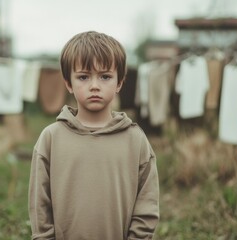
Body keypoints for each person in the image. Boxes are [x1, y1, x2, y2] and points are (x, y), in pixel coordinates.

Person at [28, 31, 160, 240]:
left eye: (105, 76)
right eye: (83, 76)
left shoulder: (135, 140)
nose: (95, 86)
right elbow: (40, 206)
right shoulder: (51, 139)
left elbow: (147, 202)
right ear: (68, 83)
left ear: (119, 83)